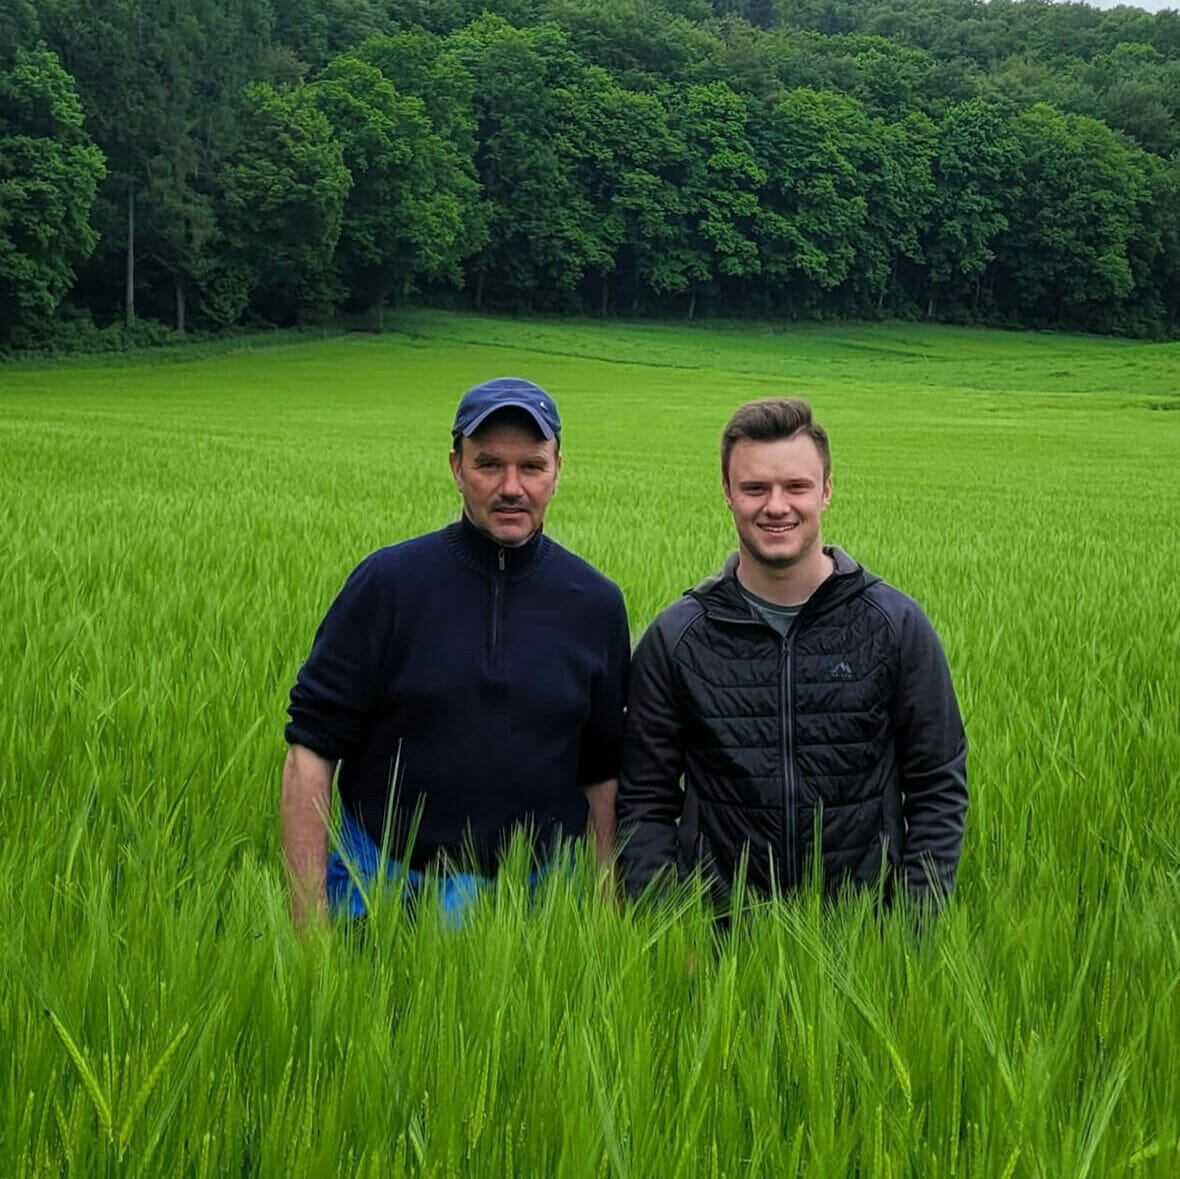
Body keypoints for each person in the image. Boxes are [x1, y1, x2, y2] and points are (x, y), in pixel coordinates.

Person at [281, 377, 630, 923]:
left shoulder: (595, 604)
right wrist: (308, 918)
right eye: (489, 464)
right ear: (455, 468)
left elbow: (603, 772)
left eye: (531, 466)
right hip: (384, 893)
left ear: (558, 471)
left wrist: (608, 913)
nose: (511, 486)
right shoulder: (388, 585)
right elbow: (311, 751)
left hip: (538, 905)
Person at [617, 398, 967, 909]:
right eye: (754, 488)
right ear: (728, 495)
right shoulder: (677, 640)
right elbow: (644, 804)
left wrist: (912, 932)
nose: (775, 506)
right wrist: (671, 936)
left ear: (825, 490)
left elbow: (937, 787)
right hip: (718, 946)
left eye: (796, 487)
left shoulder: (895, 627)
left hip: (864, 939)